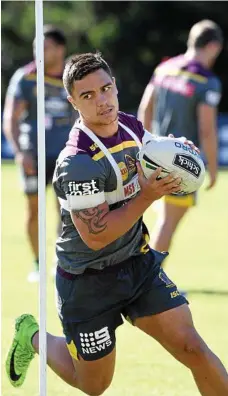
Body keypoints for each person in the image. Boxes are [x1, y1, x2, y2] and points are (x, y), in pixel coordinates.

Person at [6, 52, 228, 395]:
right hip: (87, 282)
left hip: (137, 265)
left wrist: (178, 154)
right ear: (72, 102)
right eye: (88, 96)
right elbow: (97, 236)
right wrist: (148, 195)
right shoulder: (76, 162)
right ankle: (34, 337)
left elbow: (154, 153)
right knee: (94, 385)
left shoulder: (129, 126)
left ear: (115, 87)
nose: (102, 101)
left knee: (193, 348)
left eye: (106, 89)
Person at [138, 20, 223, 257]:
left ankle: (145, 279)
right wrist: (213, 169)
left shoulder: (164, 68)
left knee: (154, 219)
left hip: (152, 157)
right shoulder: (207, 81)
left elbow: (145, 108)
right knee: (168, 222)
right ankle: (148, 283)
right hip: (182, 163)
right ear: (214, 46)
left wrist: (142, 147)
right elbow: (207, 129)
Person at [3, 25, 75, 282]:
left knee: (66, 210)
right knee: (34, 209)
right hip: (33, 154)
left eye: (44, 48)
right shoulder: (26, 77)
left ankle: (60, 261)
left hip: (65, 155)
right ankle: (37, 264)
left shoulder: (72, 76)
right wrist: (20, 152)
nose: (38, 53)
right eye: (36, 47)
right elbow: (9, 117)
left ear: (60, 48)